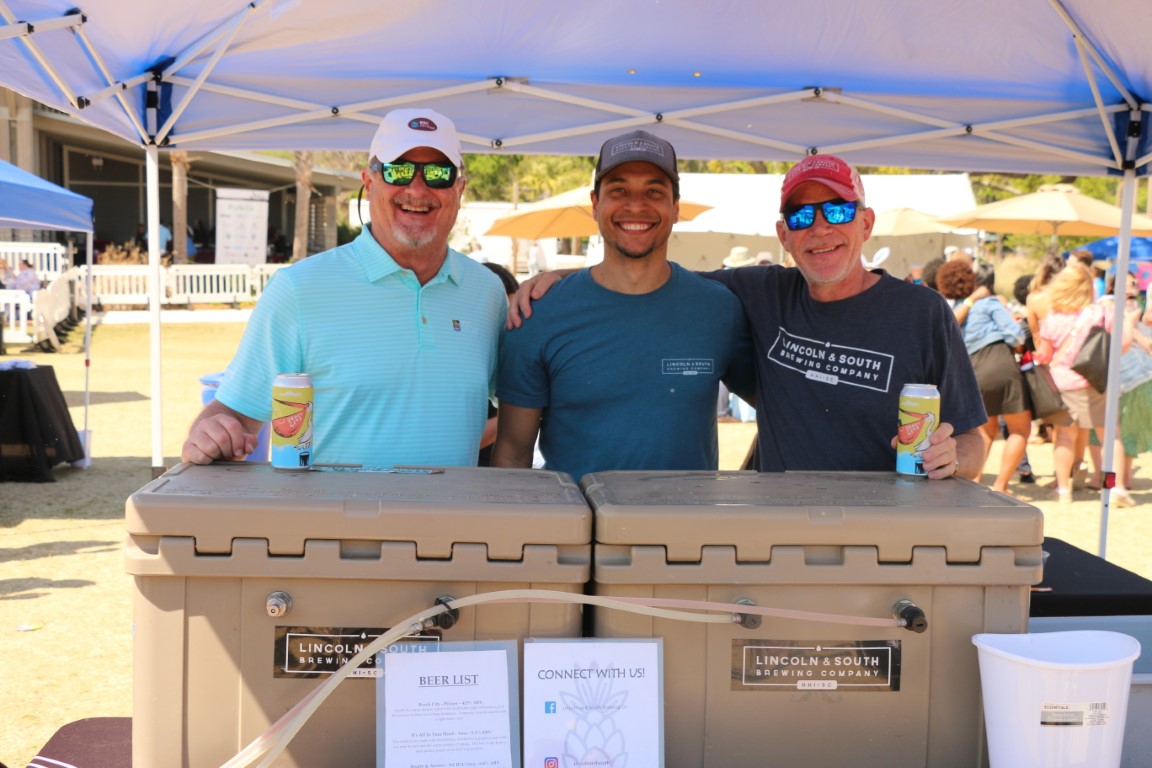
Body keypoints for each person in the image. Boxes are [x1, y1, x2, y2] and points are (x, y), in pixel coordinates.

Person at [512, 153, 985, 479]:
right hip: (780, 535)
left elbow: (974, 441)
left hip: (891, 536)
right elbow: (643, 272)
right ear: (784, 234)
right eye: (801, 217)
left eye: (837, 211)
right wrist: (563, 276)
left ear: (866, 222)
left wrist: (953, 457)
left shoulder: (922, 313)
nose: (819, 228)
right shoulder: (760, 293)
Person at [181, 108, 507, 467]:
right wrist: (207, 435)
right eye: (398, 171)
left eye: (438, 174)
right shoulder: (299, 290)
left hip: (457, 521)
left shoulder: (487, 293)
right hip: (331, 523)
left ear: (459, 189)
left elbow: (523, 403)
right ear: (369, 183)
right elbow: (234, 415)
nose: (417, 189)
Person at [491, 130, 755, 481]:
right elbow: (511, 455)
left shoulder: (720, 309)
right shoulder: (538, 313)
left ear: (675, 208)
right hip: (576, 532)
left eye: (654, 192)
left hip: (688, 532)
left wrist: (750, 482)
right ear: (595, 204)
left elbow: (788, 409)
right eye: (618, 190)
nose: (635, 205)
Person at [1034, 261, 1138, 502]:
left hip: (1063, 384)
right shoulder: (1102, 312)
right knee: (1110, 437)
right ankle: (1117, 489)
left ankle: (1063, 490)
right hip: (1098, 382)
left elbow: (1044, 355)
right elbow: (1122, 346)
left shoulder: (1052, 319)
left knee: (1064, 437)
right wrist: (1131, 324)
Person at [939, 261, 1032, 495]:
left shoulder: (959, 307)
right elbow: (1016, 335)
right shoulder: (991, 303)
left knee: (983, 432)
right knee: (1020, 430)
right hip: (999, 364)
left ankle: (977, 480)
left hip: (973, 370)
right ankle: (1001, 485)